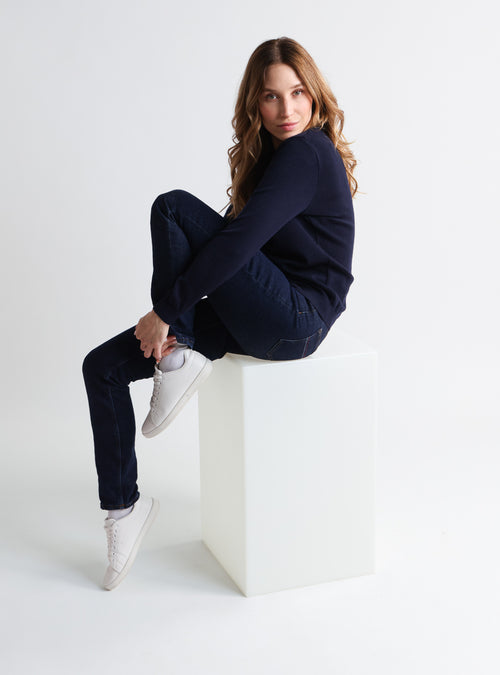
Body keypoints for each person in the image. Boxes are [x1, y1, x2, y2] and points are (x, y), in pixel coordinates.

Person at [82, 36, 358, 591]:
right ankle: (122, 510)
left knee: (173, 209)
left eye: (297, 93)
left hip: (297, 318)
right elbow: (224, 256)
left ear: (315, 95)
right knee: (102, 367)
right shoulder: (274, 160)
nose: (286, 109)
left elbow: (237, 244)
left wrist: (166, 312)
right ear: (254, 104)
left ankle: (177, 354)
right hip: (264, 314)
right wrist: (166, 316)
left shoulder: (309, 152)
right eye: (271, 96)